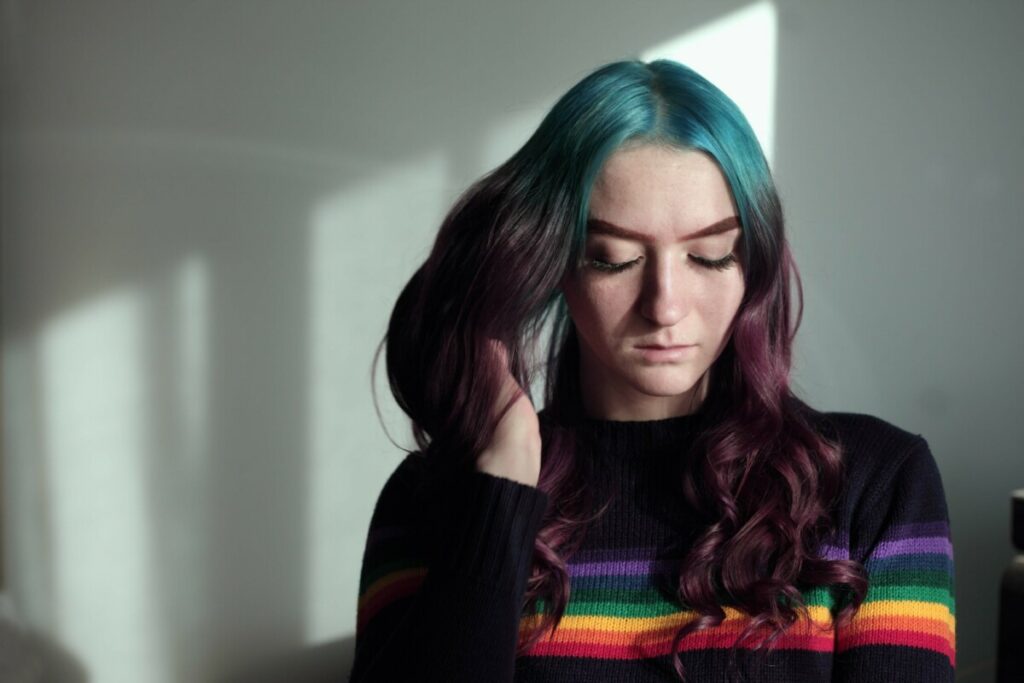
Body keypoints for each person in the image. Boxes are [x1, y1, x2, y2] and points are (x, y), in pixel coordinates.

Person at [349, 59, 955, 682]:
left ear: (754, 263)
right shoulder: (434, 499)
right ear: (554, 263)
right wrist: (502, 479)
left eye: (709, 255)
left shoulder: (875, 484)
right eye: (614, 259)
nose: (665, 305)